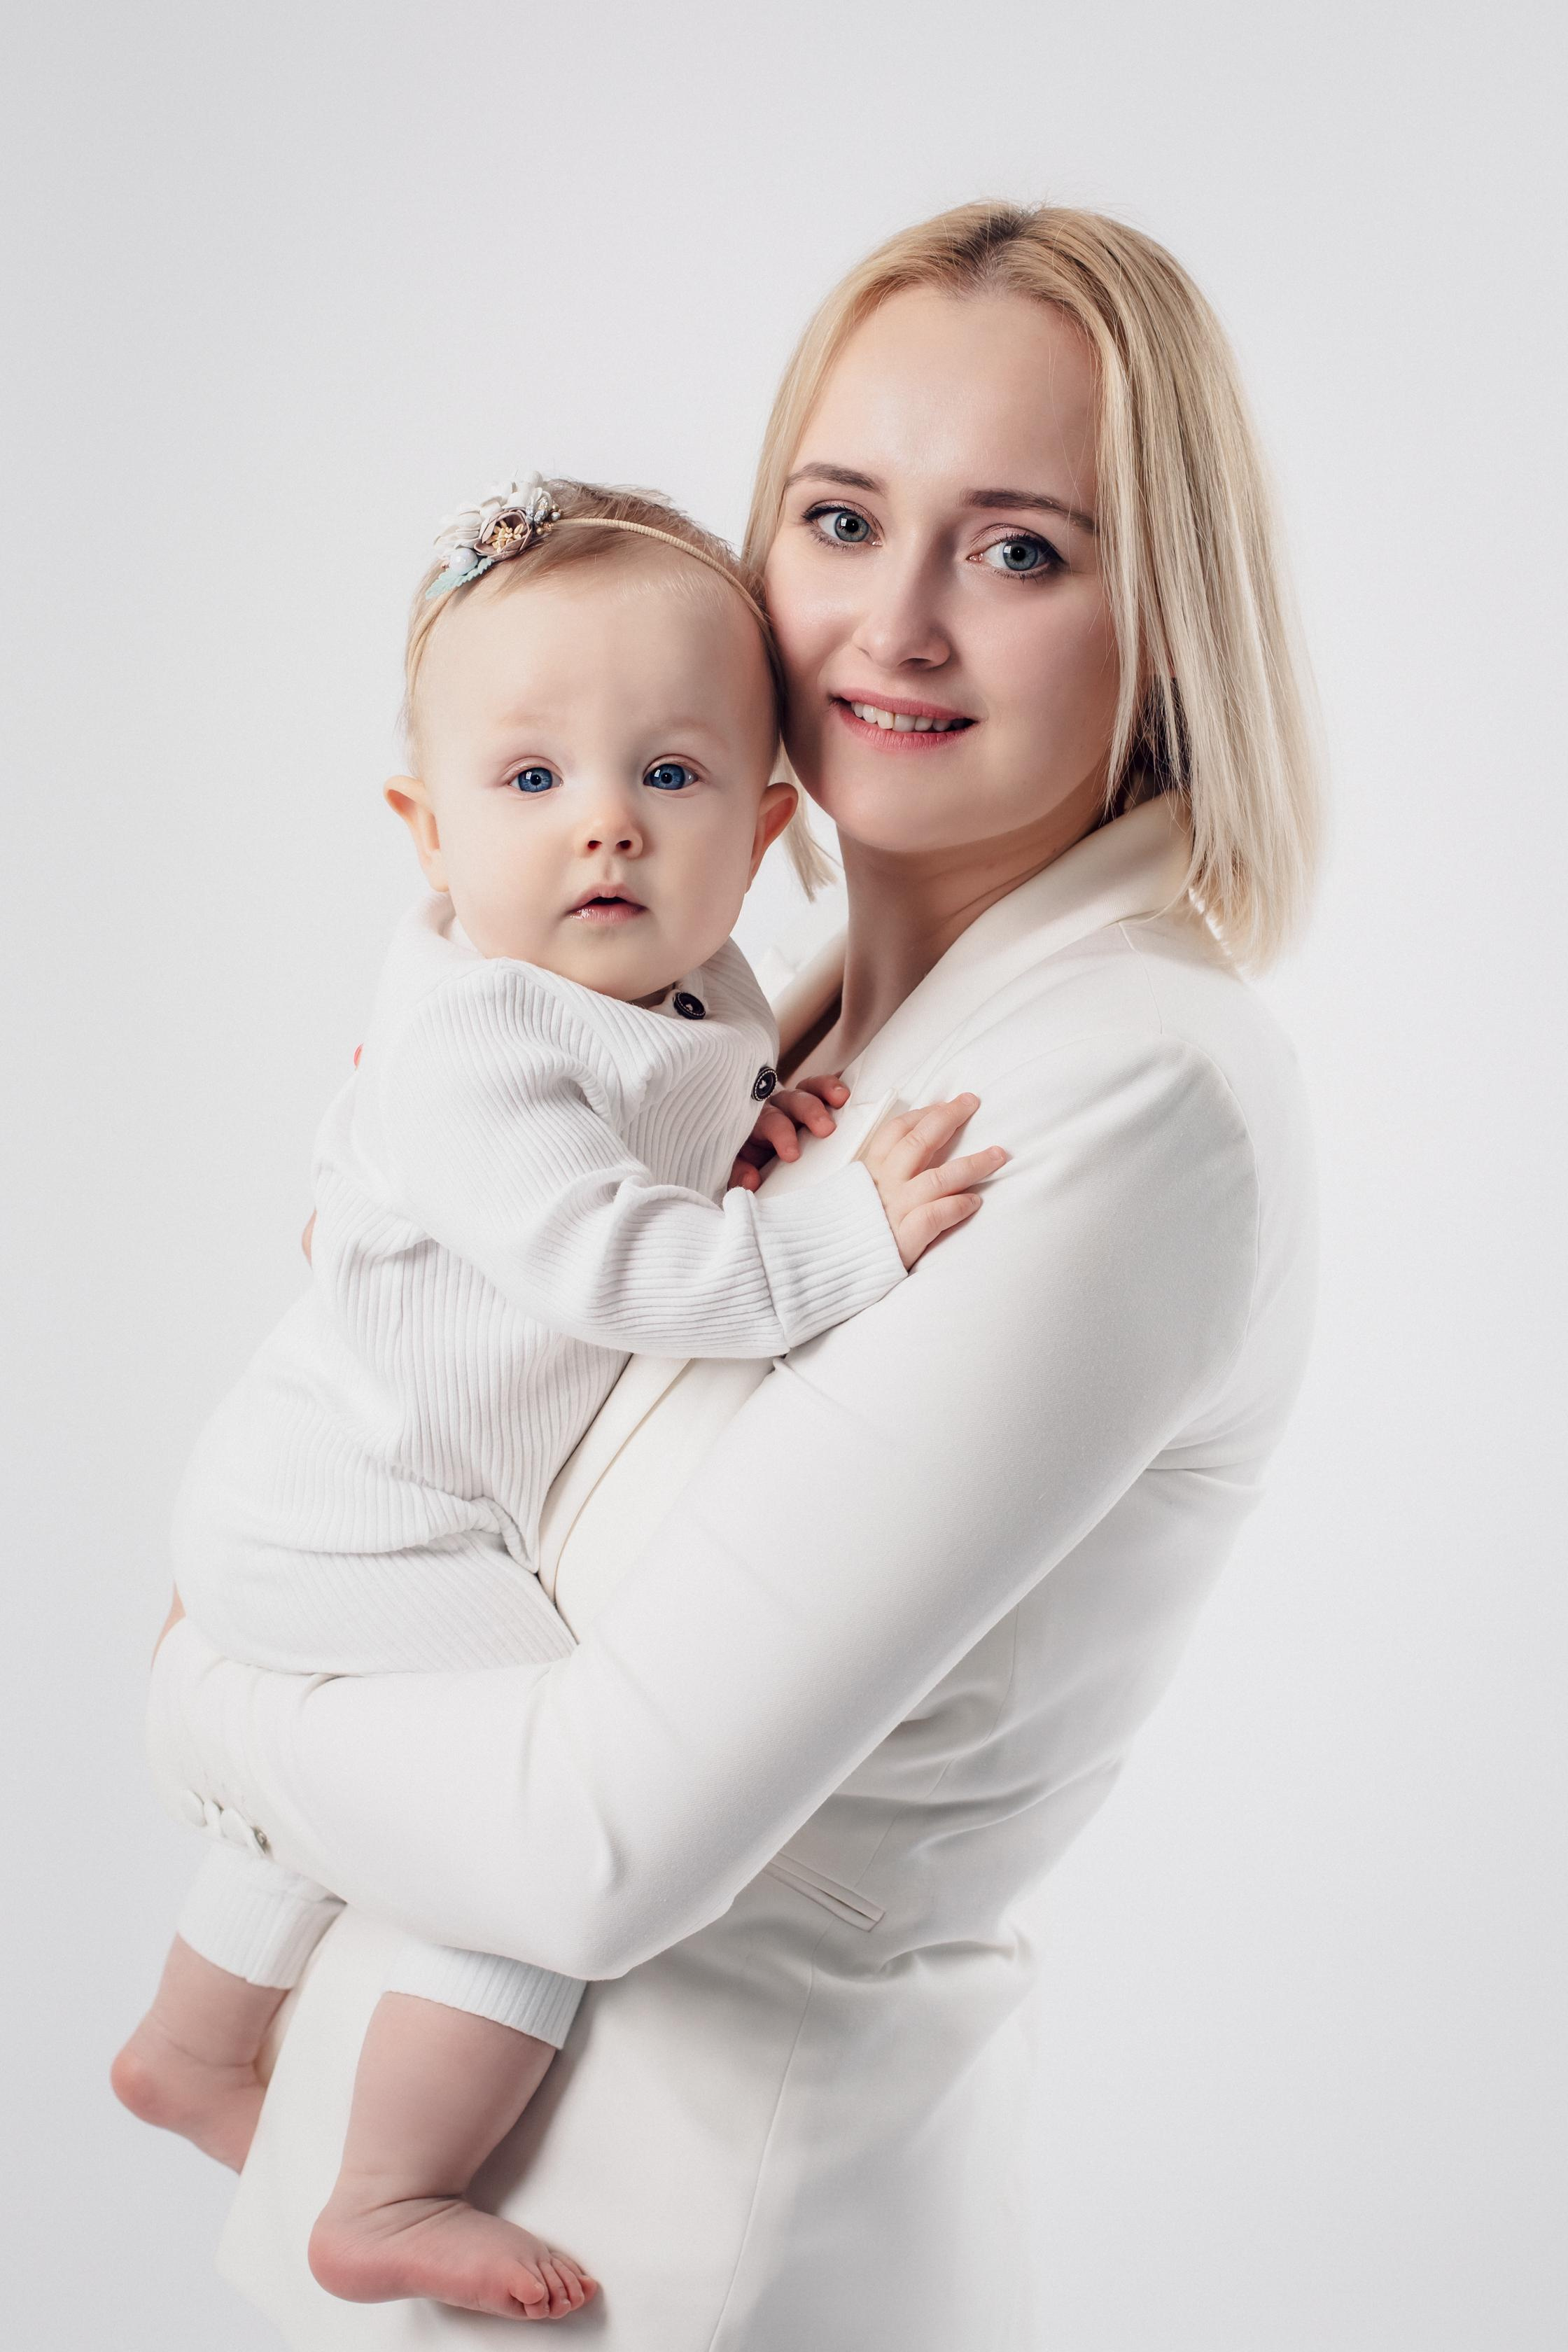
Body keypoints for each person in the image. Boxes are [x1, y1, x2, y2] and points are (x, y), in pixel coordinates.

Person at [145, 199, 1322, 2350]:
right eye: (843, 519)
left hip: (704, 2273)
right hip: (481, 2241)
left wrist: (208, 1692)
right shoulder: (753, 1013)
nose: (897, 626)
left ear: (1168, 621)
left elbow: (592, 1847)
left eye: (1020, 550)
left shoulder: (1128, 1096)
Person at [113, 475, 999, 2323]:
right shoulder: (477, 1044)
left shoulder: (683, 985)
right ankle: (392, 2187)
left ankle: (190, 2052)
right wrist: (841, 1238)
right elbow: (617, 1264)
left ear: (766, 829)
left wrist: (747, 1124)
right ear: (426, 832)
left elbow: (649, 1118)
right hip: (360, 1516)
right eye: (531, 779)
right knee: (531, 1810)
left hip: (349, 1494)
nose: (606, 823)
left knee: (401, 1785)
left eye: (670, 775)